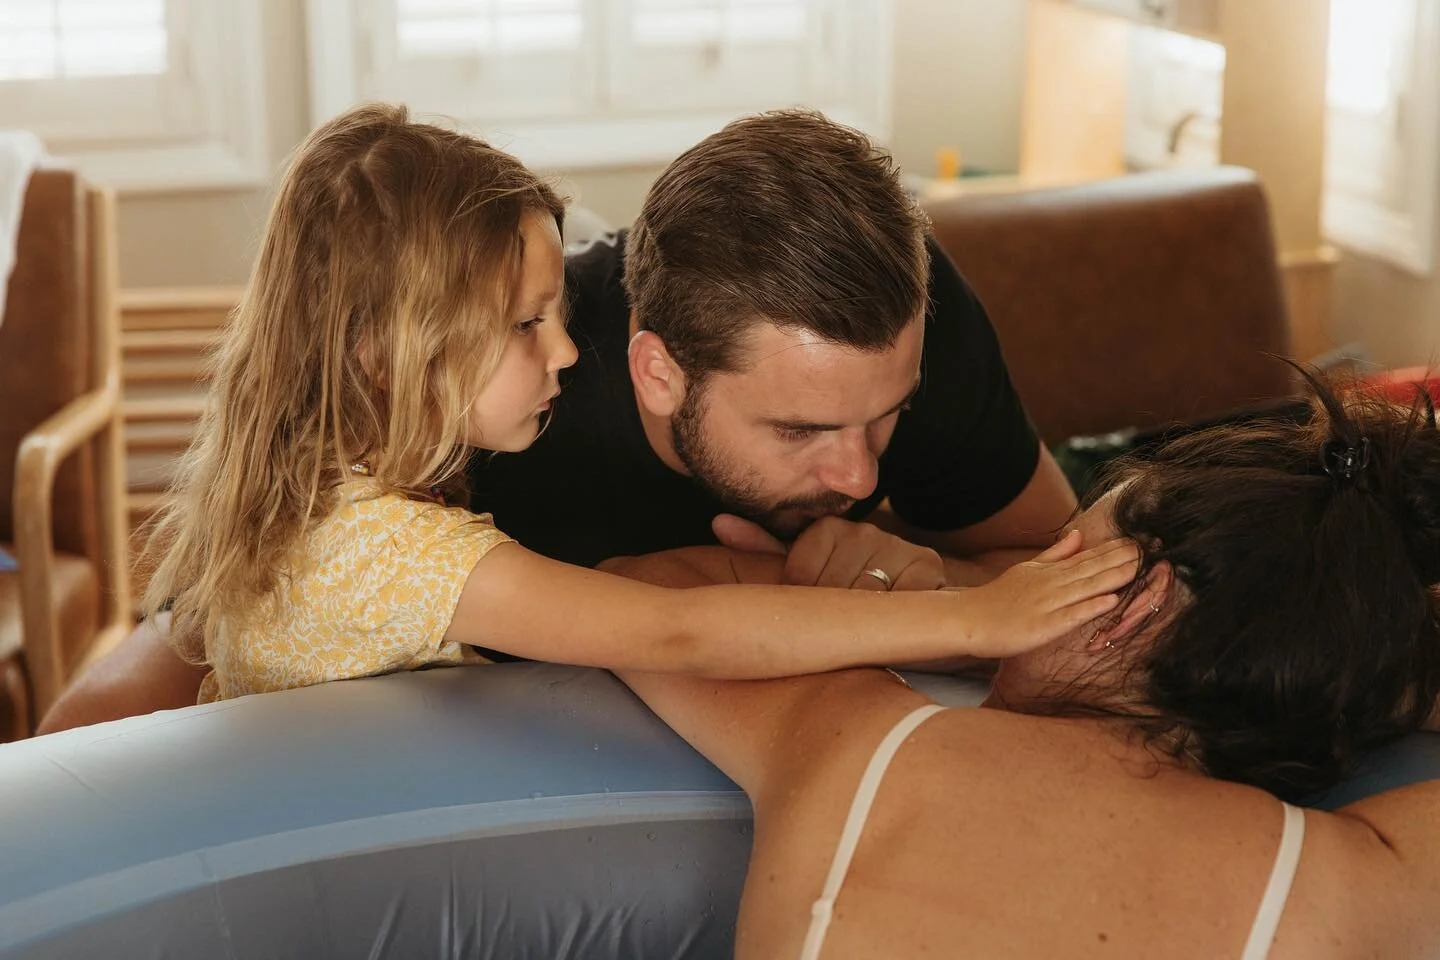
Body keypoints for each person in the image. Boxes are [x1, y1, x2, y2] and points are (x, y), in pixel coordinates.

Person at [38, 108, 1074, 729]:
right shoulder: (426, 505)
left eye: (886, 419)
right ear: (655, 370)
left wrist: (922, 575)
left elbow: (1038, 554)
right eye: (800, 432)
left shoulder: (902, 303)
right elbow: (671, 625)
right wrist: (973, 620)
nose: (857, 474)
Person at [606, 376, 1440, 957]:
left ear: (1133, 603)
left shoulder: (870, 749)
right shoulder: (1352, 881)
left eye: (1058, 553)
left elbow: (646, 597)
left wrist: (950, 620)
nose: (1020, 579)